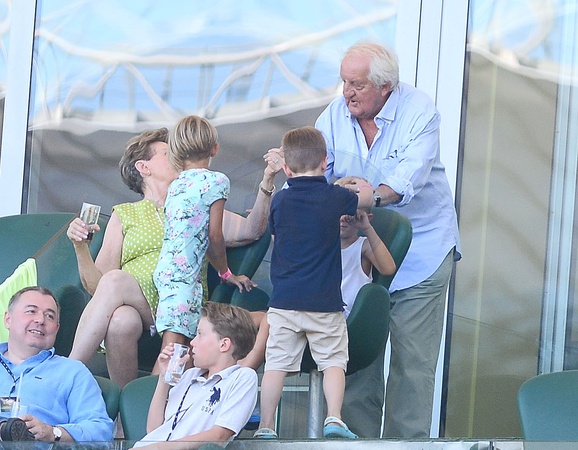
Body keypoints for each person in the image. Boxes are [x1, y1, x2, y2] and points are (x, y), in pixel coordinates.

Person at [315, 41, 461, 438]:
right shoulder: (334, 115)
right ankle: (353, 446)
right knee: (356, 360)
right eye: (344, 82)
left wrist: (364, 196)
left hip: (421, 254)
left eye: (357, 84)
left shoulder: (419, 111)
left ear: (386, 86)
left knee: (412, 366)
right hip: (358, 258)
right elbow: (314, 174)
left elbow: (403, 183)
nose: (347, 92)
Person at [67, 127, 281, 387]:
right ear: (144, 167)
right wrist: (80, 247)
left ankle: (69, 369)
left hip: (181, 300)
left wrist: (267, 181)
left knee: (115, 287)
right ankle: (128, 404)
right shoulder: (124, 214)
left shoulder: (193, 202)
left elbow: (251, 230)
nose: (178, 156)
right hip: (140, 306)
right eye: (168, 153)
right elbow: (96, 287)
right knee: (121, 319)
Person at [253, 126, 372, 440]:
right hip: (324, 303)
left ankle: (266, 424)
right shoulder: (335, 196)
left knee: (275, 365)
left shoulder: (280, 200)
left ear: (287, 168)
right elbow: (367, 199)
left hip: (284, 302)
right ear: (325, 161)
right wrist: (355, 185)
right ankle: (334, 417)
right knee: (333, 362)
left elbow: (275, 236)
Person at [153, 115, 255, 354]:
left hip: (167, 272)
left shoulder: (176, 185)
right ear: (214, 149)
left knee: (182, 351)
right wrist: (226, 273)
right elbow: (214, 236)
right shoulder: (216, 181)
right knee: (172, 352)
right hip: (184, 277)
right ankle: (158, 381)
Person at [134, 302, 258, 449]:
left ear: (224, 344)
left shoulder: (242, 377)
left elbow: (219, 436)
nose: (192, 342)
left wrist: (155, 449)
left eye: (200, 334)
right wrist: (164, 378)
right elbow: (153, 430)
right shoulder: (189, 375)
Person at [0, 286, 113, 442]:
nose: (40, 320)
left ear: (57, 328)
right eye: (31, 311)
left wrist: (54, 433)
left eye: (49, 316)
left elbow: (101, 431)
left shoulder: (72, 372)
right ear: (8, 319)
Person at [339, 207, 396, 318]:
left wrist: (367, 228)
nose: (342, 219)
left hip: (347, 315)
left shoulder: (363, 246)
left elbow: (388, 269)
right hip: (323, 309)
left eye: (350, 215)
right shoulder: (325, 244)